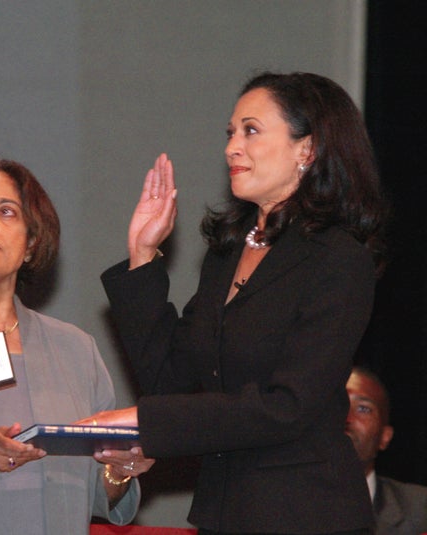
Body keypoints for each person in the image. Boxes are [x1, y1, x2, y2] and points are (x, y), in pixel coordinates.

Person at [81, 72, 387, 534]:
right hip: (224, 514)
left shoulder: (340, 260)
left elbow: (288, 406)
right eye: (230, 133)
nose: (231, 148)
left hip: (308, 515)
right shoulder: (226, 256)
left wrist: (143, 419)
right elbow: (171, 382)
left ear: (308, 148)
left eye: (251, 130)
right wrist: (143, 256)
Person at [0, 153, 154, 534]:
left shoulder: (75, 350)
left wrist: (120, 471)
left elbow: (97, 496)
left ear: (31, 245)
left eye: (7, 212)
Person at [346, 366, 427, 534]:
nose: (347, 418)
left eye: (363, 408)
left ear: (385, 436)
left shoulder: (421, 510)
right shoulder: (282, 503)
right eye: (337, 407)